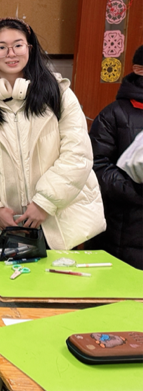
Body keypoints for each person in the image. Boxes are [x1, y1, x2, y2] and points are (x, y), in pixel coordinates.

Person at [0, 18, 106, 250]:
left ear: (30, 48)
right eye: (1, 47)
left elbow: (78, 154)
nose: (11, 53)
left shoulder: (60, 95)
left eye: (18, 45)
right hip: (1, 226)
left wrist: (44, 203)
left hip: (60, 222)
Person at [89, 45, 143, 268]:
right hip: (121, 231)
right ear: (139, 70)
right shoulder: (114, 114)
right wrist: (136, 191)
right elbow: (96, 166)